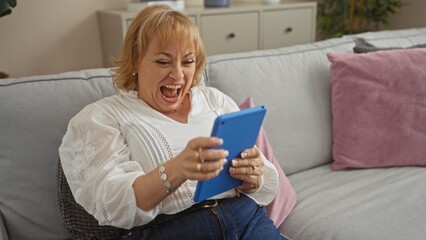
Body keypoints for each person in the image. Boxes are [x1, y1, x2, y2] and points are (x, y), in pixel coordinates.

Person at [59, 4, 284, 240]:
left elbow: (256, 175)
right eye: (163, 62)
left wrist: (253, 177)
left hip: (246, 218)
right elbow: (111, 205)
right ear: (135, 61)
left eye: (187, 62)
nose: (177, 75)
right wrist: (176, 170)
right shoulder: (103, 117)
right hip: (172, 230)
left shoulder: (213, 100)